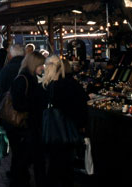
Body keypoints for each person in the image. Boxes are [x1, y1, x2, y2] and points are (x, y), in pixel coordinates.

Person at [42, 56, 88, 187]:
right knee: (66, 167)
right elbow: (81, 104)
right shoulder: (71, 84)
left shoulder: (48, 86)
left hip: (52, 131)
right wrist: (81, 124)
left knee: (55, 166)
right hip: (68, 130)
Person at [9, 51, 46, 187]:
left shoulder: (30, 77)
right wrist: (37, 102)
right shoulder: (23, 79)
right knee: (26, 160)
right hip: (25, 127)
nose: (43, 67)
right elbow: (18, 104)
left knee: (26, 160)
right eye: (41, 64)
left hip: (29, 127)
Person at [0, 43, 25, 112]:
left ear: (10, 55)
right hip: (27, 112)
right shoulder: (28, 68)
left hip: (8, 112)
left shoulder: (5, 70)